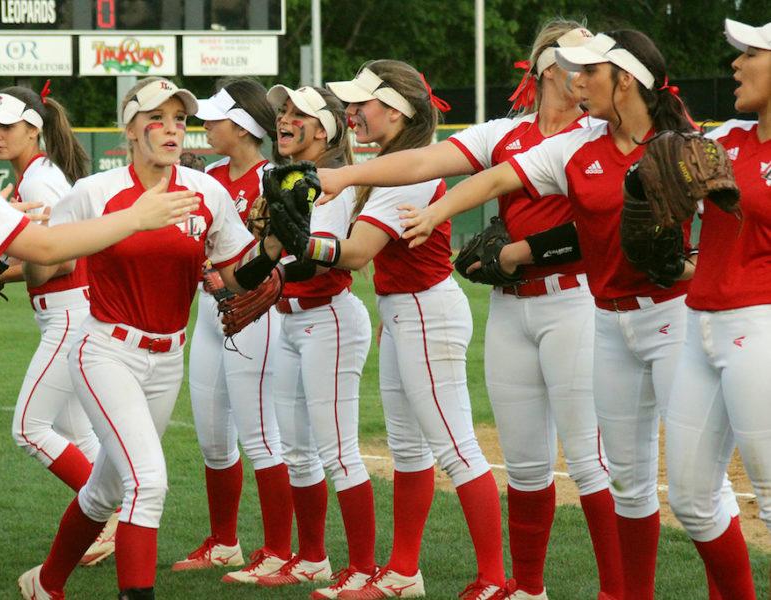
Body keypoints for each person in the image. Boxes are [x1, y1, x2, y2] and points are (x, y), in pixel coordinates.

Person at [397, 30, 742, 600]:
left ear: (623, 79)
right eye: (569, 68)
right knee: (623, 481)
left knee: (694, 489)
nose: (577, 79)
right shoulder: (571, 145)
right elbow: (491, 178)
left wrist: (690, 266)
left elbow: (732, 219)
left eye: (589, 70)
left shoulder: (681, 142)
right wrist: (432, 211)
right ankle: (583, 591)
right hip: (601, 319)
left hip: (657, 317)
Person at [0, 26, 199, 600]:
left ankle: (94, 526)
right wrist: (137, 218)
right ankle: (104, 518)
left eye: (5, 124)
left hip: (57, 320)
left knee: (57, 431)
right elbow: (44, 250)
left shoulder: (13, 175)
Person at [318, 22, 624, 600]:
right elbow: (421, 162)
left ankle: (616, 592)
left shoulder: (599, 134)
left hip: (574, 301)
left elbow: (603, 225)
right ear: (546, 68)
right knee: (528, 465)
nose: (589, 69)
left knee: (588, 461)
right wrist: (347, 174)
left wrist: (527, 249)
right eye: (578, 57)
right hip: (509, 307)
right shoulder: (506, 133)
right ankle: (524, 587)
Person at [16, 76, 288, 600]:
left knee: (106, 488)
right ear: (131, 130)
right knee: (148, 482)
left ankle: (46, 584)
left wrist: (273, 246)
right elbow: (44, 268)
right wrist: (34, 254)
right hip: (105, 350)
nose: (171, 129)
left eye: (180, 119)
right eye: (156, 119)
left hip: (167, 359)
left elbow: (233, 276)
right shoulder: (96, 192)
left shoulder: (205, 190)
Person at [291, 60, 504, 600]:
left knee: (456, 448)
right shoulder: (392, 164)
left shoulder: (407, 171)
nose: (352, 112)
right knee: (410, 451)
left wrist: (298, 242)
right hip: (405, 311)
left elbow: (358, 252)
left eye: (364, 103)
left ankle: (495, 580)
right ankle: (404, 572)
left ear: (397, 110)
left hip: (426, 312)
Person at [0, 85, 120, 567]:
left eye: (5, 125)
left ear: (33, 129)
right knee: (79, 432)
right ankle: (126, 517)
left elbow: (57, 260)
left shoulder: (38, 182)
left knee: (28, 428)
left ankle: (110, 518)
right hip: (71, 309)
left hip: (69, 313)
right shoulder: (39, 175)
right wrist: (3, 268)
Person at [237, 84, 376, 599]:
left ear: (325, 130)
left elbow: (321, 257)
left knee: (339, 453)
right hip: (292, 321)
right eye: (283, 112)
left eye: (299, 113)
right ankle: (313, 559)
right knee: (299, 451)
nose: (286, 119)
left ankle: (363, 567)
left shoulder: (331, 183)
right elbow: (266, 261)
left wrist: (264, 262)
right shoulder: (284, 178)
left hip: (329, 320)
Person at [665, 18, 771, 600]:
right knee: (689, 496)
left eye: (750, 53)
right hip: (698, 325)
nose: (735, 64)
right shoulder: (726, 137)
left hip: (760, 327)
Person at [172, 78, 294, 576]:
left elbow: (283, 252)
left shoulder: (276, 177)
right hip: (208, 310)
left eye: (216, 117)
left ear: (242, 126)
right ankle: (224, 541)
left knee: (261, 434)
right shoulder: (209, 176)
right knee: (213, 438)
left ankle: (280, 551)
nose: (205, 123)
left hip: (254, 313)